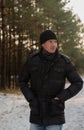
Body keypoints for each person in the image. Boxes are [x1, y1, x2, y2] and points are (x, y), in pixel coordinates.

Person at [19, 30, 83, 130]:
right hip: (37, 113)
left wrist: (60, 97)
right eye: (50, 42)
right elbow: (22, 81)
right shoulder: (32, 60)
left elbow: (78, 82)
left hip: (55, 113)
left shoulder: (64, 61)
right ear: (43, 44)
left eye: (55, 41)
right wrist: (31, 99)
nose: (53, 44)